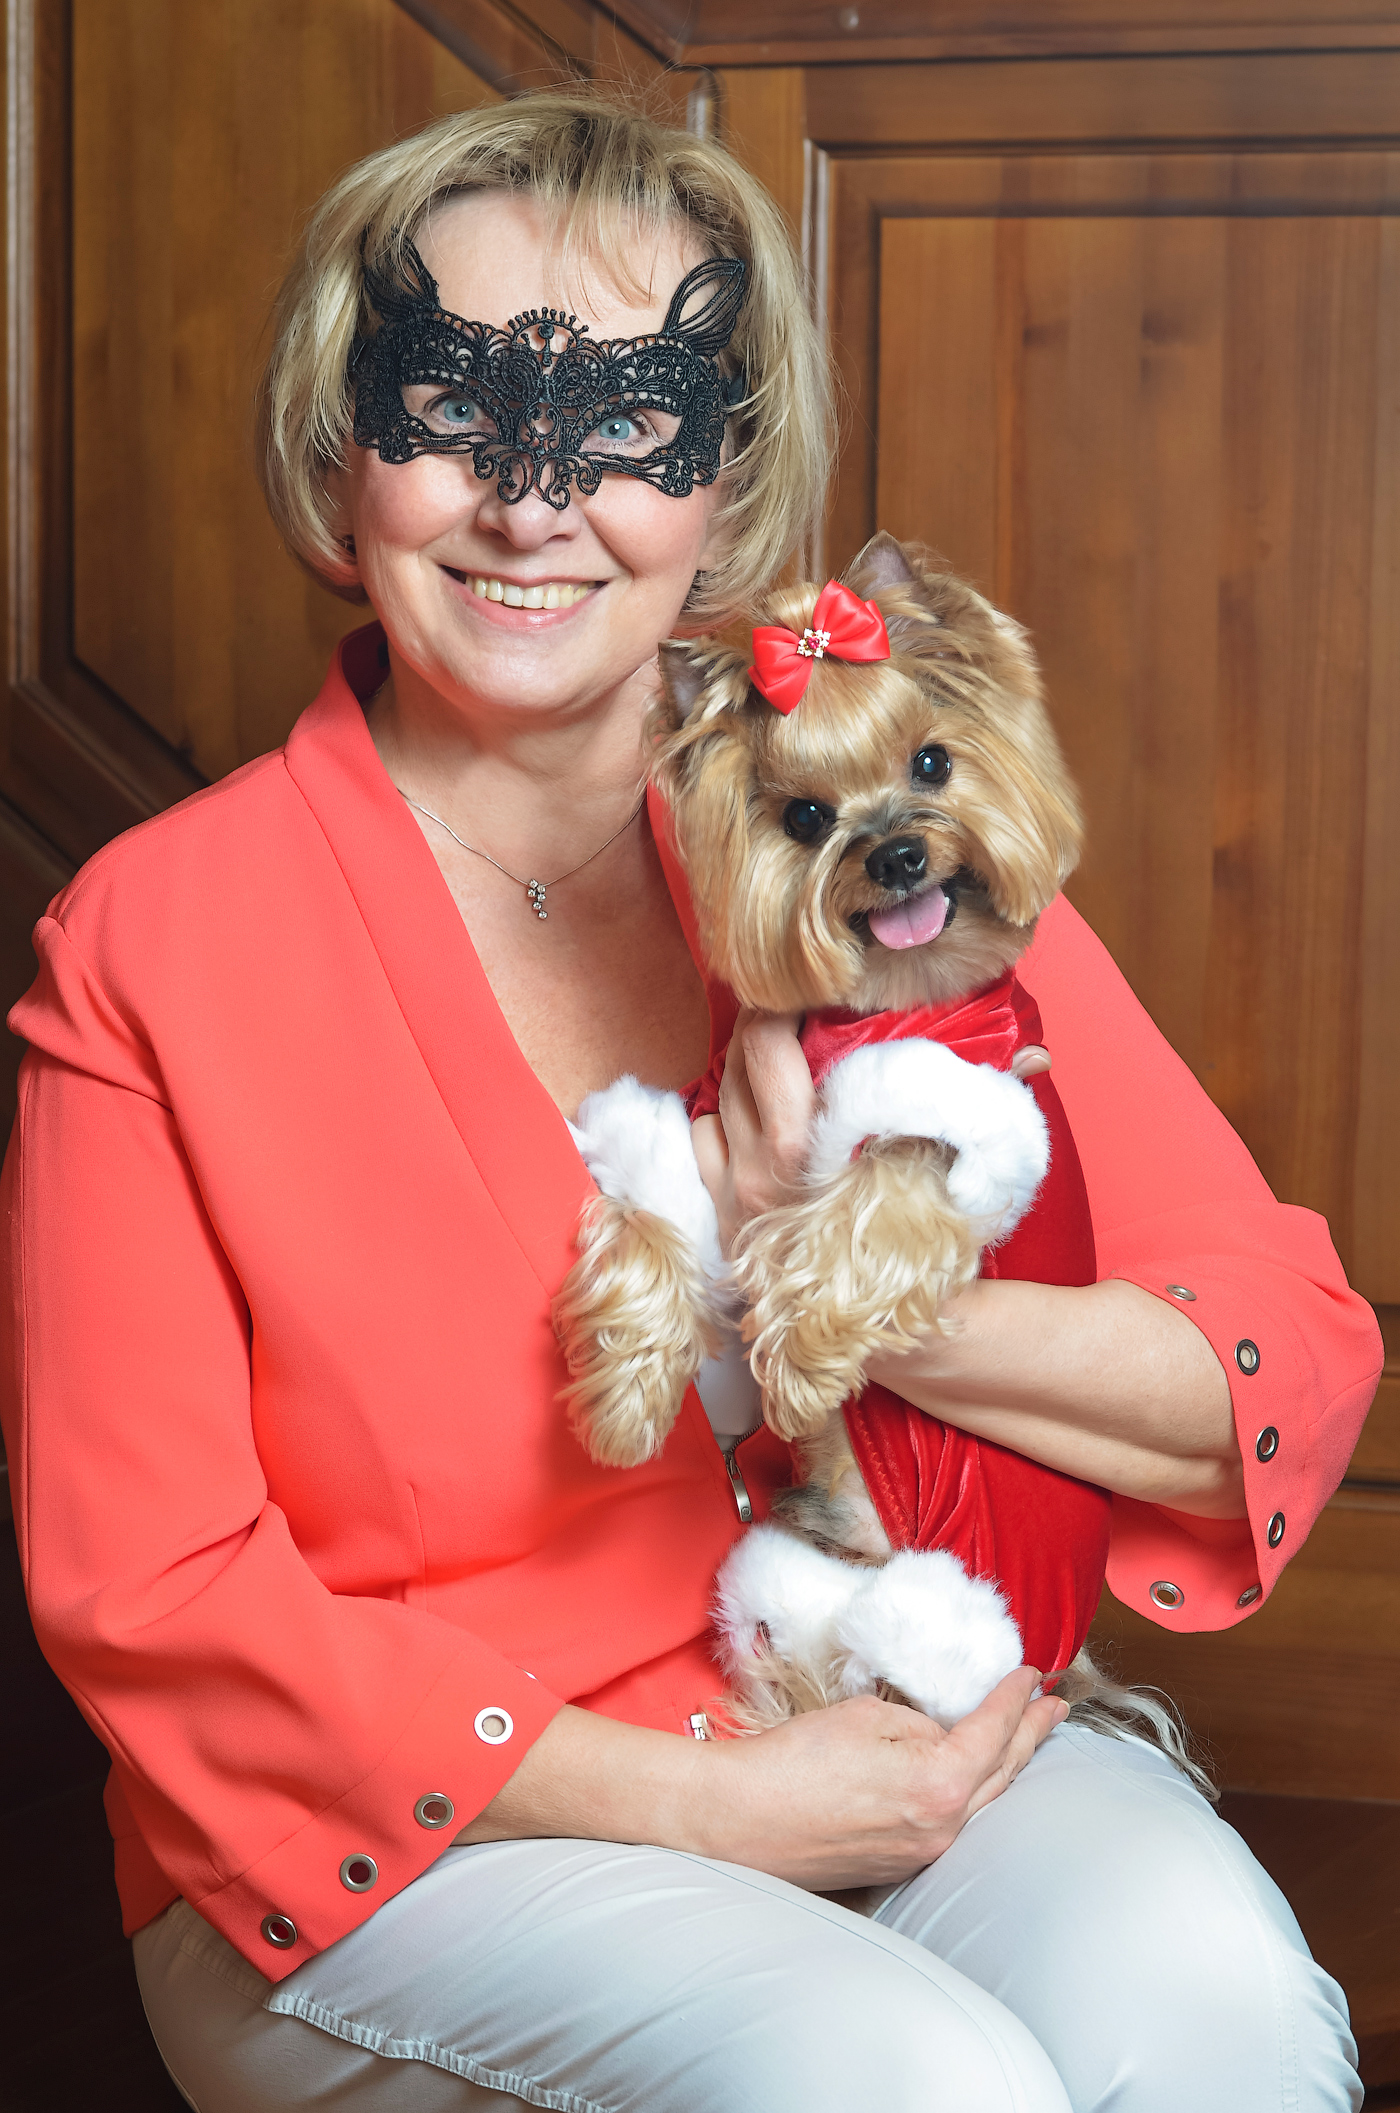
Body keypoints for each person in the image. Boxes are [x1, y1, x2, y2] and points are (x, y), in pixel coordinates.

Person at [0, 91, 1380, 2113]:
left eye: (625, 424)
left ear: (722, 483)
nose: (528, 504)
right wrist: (721, 1809)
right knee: (899, 2083)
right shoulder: (156, 941)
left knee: (1213, 2005)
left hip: (878, 1685)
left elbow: (1272, 1352)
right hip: (423, 1832)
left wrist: (841, 1287)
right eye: (450, 406)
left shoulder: (873, 832)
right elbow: (154, 1592)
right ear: (337, 449)